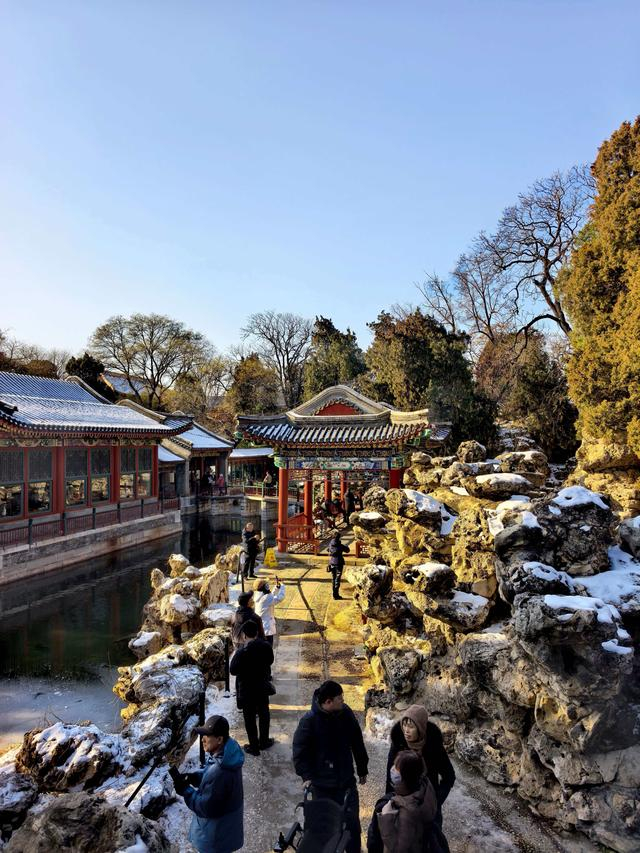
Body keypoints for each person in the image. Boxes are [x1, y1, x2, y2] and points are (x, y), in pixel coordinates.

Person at [293, 679, 368, 853]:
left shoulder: (346, 714)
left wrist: (362, 767)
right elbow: (299, 751)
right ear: (328, 702)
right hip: (322, 786)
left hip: (346, 782)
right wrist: (306, 776)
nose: (343, 700)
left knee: (352, 827)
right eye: (340, 698)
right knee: (325, 829)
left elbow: (357, 741)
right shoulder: (309, 722)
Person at [169, 714, 244, 853]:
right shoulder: (226, 755)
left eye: (207, 736)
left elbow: (205, 807)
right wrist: (194, 777)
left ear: (220, 739)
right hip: (227, 828)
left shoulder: (220, 772)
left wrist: (186, 790)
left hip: (216, 836)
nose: (202, 739)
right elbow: (211, 774)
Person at [385, 705, 455, 826]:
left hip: (427, 805)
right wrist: (390, 801)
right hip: (404, 805)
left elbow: (449, 776)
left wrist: (435, 801)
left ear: (421, 728)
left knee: (433, 841)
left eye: (411, 726)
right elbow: (390, 778)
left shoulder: (433, 745)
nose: (406, 730)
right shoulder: (399, 743)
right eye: (404, 725)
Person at [367, 750, 449, 853]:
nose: (392, 770)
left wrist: (386, 820)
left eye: (396, 769)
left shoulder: (404, 812)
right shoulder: (426, 789)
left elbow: (397, 849)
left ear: (404, 778)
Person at [229, 619, 275, 756]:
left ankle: (254, 746)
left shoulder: (241, 652)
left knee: (249, 718)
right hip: (262, 686)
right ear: (256, 632)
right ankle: (264, 741)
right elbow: (270, 661)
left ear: (244, 635)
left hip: (247, 690)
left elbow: (233, 670)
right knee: (264, 714)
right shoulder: (266, 646)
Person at [253, 577, 286, 646]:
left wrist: (276, 588)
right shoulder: (266, 598)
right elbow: (280, 597)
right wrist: (282, 586)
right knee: (268, 649)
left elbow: (270, 596)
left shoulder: (258, 595)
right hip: (267, 629)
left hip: (260, 628)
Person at [328, 530, 350, 600]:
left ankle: (334, 594)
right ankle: (336, 595)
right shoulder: (340, 545)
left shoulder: (330, 544)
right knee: (337, 579)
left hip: (332, 562)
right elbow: (347, 550)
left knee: (333, 578)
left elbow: (328, 550)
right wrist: (346, 546)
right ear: (339, 538)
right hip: (339, 563)